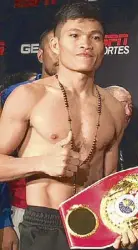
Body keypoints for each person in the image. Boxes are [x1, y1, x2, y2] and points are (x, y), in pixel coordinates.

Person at [0, 2, 138, 250]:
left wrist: (121, 222)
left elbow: (107, 183)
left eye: (94, 37)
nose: (85, 44)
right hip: (45, 224)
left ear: (103, 46)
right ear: (55, 45)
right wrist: (40, 163)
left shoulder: (113, 108)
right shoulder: (29, 97)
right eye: (74, 35)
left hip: (97, 223)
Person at [0, 28, 59, 249]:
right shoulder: (16, 95)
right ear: (40, 54)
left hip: (75, 212)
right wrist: (4, 221)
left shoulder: (98, 100)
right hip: (24, 211)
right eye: (53, 47)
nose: (60, 53)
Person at [105, 86, 133, 171]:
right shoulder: (95, 141)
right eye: (123, 105)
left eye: (130, 106)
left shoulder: (125, 141)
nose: (128, 112)